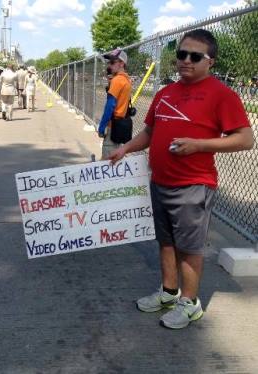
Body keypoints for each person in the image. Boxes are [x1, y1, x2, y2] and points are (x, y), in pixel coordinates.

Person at [108, 29, 254, 329]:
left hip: (193, 185)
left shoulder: (222, 95)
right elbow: (149, 133)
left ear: (210, 61)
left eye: (195, 56)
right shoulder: (165, 93)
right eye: (181, 54)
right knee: (165, 242)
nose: (186, 60)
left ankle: (190, 303)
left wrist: (200, 145)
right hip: (160, 180)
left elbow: (245, 139)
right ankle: (168, 292)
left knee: (189, 247)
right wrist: (124, 148)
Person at [98, 49, 132, 160]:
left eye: (112, 62)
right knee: (116, 157)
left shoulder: (117, 81)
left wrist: (102, 127)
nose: (109, 65)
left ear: (122, 63)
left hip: (113, 126)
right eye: (109, 62)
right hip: (120, 126)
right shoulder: (126, 79)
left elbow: (110, 106)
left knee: (107, 161)